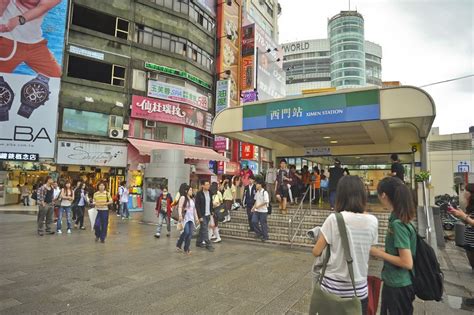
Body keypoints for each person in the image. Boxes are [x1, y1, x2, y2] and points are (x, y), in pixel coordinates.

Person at [312, 176, 379, 315]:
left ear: (340, 195)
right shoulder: (373, 221)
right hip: (359, 291)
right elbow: (370, 249)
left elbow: (316, 251)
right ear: (362, 194)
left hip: (332, 289)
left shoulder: (334, 219)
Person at [370, 177, 417, 315]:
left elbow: (407, 262)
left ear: (383, 195)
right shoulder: (397, 217)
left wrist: (378, 253)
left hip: (398, 285)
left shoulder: (398, 224)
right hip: (395, 282)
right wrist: (383, 251)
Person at [0, 0, 62, 77]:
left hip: (35, 44)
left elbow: (42, 8)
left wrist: (16, 20)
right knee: (56, 76)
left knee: (56, 76)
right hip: (7, 39)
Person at [448, 184, 474, 270]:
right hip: (469, 242)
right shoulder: (470, 207)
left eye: (466, 191)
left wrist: (464, 216)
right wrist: (459, 215)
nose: (464, 193)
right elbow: (468, 222)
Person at [176, 184, 199, 255]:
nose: (191, 191)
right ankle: (179, 244)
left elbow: (194, 209)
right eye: (190, 190)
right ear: (186, 191)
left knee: (190, 234)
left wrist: (196, 218)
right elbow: (179, 207)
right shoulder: (183, 197)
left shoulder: (192, 199)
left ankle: (186, 248)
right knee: (186, 232)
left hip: (191, 219)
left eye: (192, 190)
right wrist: (180, 215)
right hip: (185, 218)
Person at [194, 180, 214, 251]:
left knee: (202, 229)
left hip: (208, 214)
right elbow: (197, 206)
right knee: (205, 230)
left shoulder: (210, 193)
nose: (208, 186)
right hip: (202, 215)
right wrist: (199, 217)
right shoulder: (199, 194)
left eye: (208, 184)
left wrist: (212, 212)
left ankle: (198, 242)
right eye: (206, 184)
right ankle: (208, 244)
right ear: (202, 185)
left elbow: (211, 203)